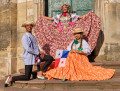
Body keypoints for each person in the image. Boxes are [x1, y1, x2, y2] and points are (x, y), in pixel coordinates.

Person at [44, 28, 115, 81]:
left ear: (80, 34)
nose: (77, 35)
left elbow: (87, 51)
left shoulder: (83, 42)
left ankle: (68, 74)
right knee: (69, 55)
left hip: (81, 57)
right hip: (72, 57)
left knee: (71, 56)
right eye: (75, 34)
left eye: (78, 33)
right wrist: (71, 50)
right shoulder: (72, 42)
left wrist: (79, 51)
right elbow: (68, 49)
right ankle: (65, 73)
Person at [34, 4, 101, 58]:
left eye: (66, 8)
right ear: (62, 9)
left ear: (68, 9)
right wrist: (43, 17)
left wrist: (88, 14)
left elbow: (80, 17)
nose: (65, 9)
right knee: (59, 44)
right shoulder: (59, 16)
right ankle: (60, 57)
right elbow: (51, 19)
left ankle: (70, 56)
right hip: (61, 33)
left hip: (69, 32)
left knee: (70, 44)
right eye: (63, 8)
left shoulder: (72, 16)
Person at [4, 21, 54, 87]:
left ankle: (40, 72)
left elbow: (35, 46)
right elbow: (27, 48)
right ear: (25, 27)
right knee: (27, 77)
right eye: (27, 25)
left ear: (32, 27)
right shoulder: (25, 37)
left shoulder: (33, 36)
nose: (29, 27)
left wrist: (40, 52)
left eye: (30, 25)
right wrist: (37, 52)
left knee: (49, 58)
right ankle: (11, 78)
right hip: (29, 57)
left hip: (36, 56)